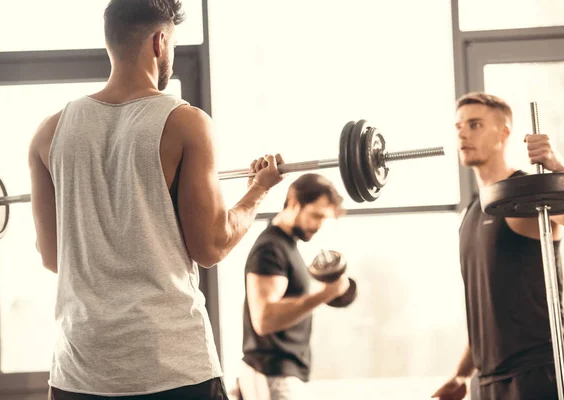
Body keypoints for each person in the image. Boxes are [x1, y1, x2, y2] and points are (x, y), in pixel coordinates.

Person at [28, 1, 284, 399]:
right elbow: (211, 246)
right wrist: (258, 190)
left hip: (79, 372)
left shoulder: (48, 133)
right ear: (160, 41)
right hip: (172, 369)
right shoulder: (186, 122)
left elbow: (52, 257)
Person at [432, 92, 564, 400]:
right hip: (488, 381)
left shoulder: (529, 195)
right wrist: (463, 374)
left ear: (504, 133)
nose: (463, 133)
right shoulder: (471, 212)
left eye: (475, 124)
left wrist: (557, 168)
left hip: (536, 374)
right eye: (459, 126)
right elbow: (489, 308)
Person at [238, 173, 351, 400]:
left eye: (324, 219)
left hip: (281, 373)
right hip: (271, 372)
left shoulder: (287, 247)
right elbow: (264, 319)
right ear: (294, 204)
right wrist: (324, 294)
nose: (319, 225)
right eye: (316, 216)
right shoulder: (270, 248)